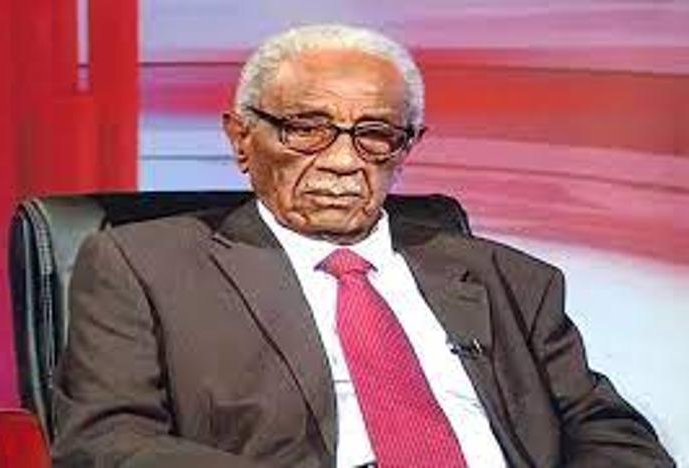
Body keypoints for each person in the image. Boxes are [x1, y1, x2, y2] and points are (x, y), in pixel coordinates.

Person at [52, 24, 674, 468]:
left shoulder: (507, 278)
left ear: (408, 147)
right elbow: (107, 444)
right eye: (306, 129)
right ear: (242, 138)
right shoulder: (143, 266)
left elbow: (608, 430)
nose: (344, 162)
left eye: (376, 134)